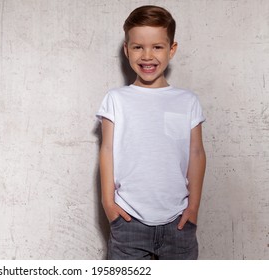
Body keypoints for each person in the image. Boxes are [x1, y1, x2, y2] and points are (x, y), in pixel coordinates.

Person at [96, 5, 206, 260]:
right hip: (128, 222)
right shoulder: (116, 99)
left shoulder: (187, 101)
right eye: (138, 47)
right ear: (126, 50)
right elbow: (107, 150)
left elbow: (197, 153)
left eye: (157, 46)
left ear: (172, 49)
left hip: (178, 222)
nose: (147, 55)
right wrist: (109, 205)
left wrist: (194, 208)